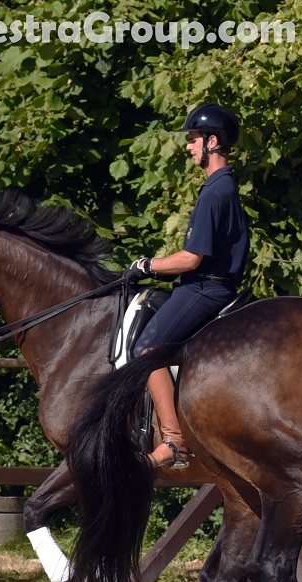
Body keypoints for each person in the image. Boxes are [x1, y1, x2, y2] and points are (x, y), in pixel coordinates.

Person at [123, 103, 250, 468]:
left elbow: (190, 259)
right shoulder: (223, 187)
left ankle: (173, 442)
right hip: (204, 285)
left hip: (204, 288)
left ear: (212, 142)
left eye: (193, 139)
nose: (189, 146)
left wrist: (146, 265)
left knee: (147, 351)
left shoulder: (215, 192)